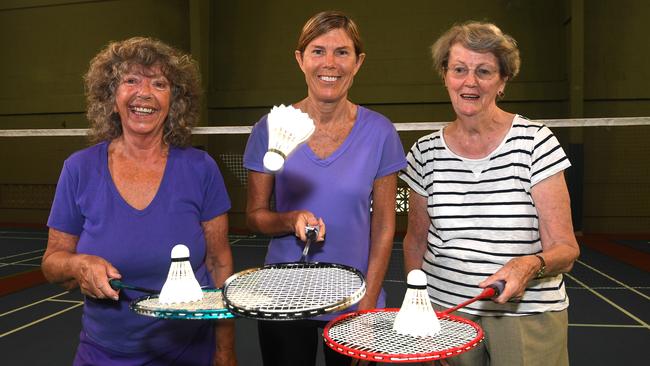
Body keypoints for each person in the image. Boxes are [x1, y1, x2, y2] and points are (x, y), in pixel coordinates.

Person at [41, 37, 237, 366]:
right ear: (111, 95)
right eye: (131, 80)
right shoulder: (79, 168)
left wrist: (225, 350)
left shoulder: (201, 169)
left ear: (174, 100)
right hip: (104, 353)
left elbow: (219, 264)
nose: (144, 93)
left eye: (159, 83)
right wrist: (78, 264)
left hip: (189, 350)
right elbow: (52, 262)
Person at [400, 21, 580, 366]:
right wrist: (417, 301)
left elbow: (566, 249)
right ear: (445, 75)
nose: (470, 82)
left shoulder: (535, 142)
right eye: (459, 69)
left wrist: (528, 264)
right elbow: (415, 242)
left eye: (484, 71)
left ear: (503, 81)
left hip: (526, 316)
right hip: (447, 316)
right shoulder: (424, 153)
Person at [243, 10, 407, 366]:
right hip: (283, 297)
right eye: (318, 51)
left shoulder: (380, 132)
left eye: (342, 52)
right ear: (300, 59)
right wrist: (291, 220)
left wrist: (368, 303)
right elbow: (255, 216)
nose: (329, 63)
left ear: (358, 62)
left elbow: (383, 226)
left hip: (355, 298)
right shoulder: (269, 128)